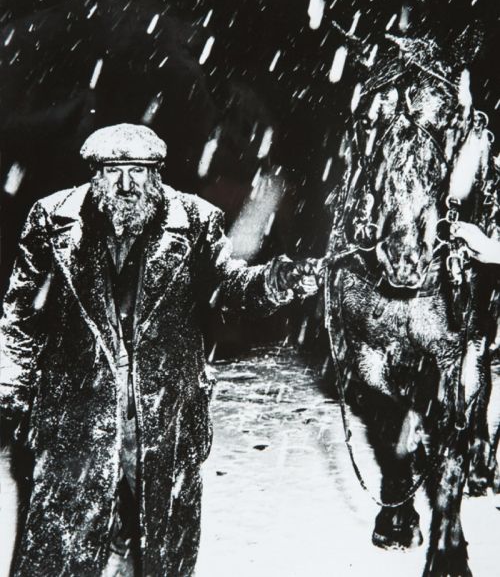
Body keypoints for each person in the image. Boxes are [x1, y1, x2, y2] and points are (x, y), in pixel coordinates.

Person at [0, 124, 319, 577]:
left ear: (157, 174)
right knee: (64, 544)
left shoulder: (193, 221)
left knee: (162, 546)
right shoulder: (51, 220)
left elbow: (229, 286)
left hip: (164, 412)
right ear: (94, 173)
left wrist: (277, 281)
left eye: (139, 170)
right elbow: (21, 315)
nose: (126, 184)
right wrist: (11, 385)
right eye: (114, 171)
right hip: (77, 411)